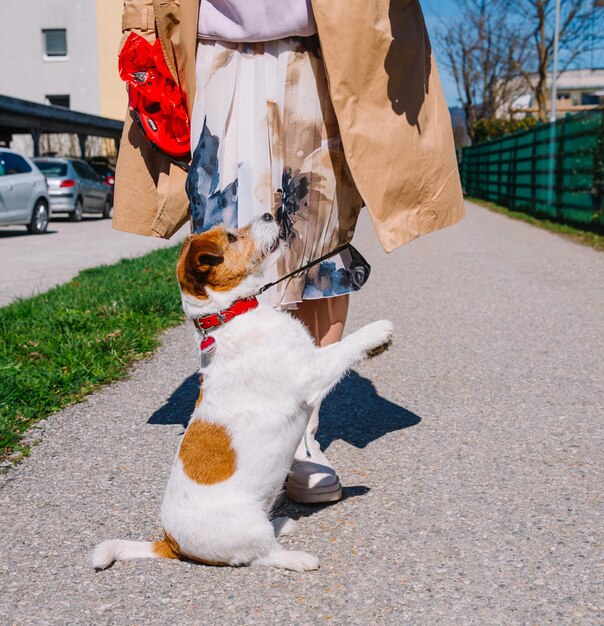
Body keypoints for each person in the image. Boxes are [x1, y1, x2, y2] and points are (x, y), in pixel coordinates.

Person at [113, 0, 465, 504]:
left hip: (325, 48)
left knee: (318, 243)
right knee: (226, 244)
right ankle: (235, 417)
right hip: (215, 53)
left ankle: (299, 435)